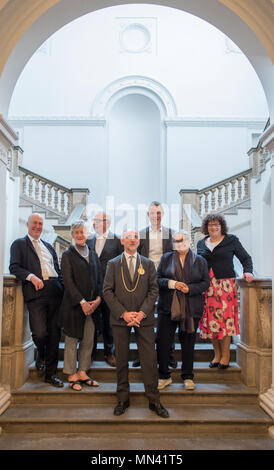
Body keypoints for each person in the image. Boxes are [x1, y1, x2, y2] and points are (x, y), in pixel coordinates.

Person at [103, 228, 169, 418]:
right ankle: (123, 399)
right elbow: (107, 291)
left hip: (144, 320)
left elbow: (153, 291)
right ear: (123, 241)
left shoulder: (148, 264)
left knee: (149, 361)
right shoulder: (113, 264)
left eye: (135, 237)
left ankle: (154, 400)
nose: (132, 240)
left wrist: (141, 313)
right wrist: (123, 314)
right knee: (121, 359)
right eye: (129, 237)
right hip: (120, 319)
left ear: (139, 242)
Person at [9, 213, 64, 387]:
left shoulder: (49, 246)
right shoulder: (19, 244)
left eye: (40, 223)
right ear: (27, 224)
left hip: (56, 292)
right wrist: (31, 277)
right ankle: (40, 353)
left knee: (55, 335)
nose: (38, 226)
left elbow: (57, 269)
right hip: (36, 292)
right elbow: (14, 267)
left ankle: (51, 374)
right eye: (35, 223)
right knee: (40, 333)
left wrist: (62, 287)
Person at [197, 213, 254, 369]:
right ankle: (216, 355)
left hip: (225, 287)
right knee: (210, 322)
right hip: (207, 288)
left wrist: (248, 271)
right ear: (206, 227)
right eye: (210, 225)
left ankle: (226, 355)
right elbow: (197, 265)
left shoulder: (231, 240)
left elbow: (246, 258)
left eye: (217, 225)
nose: (214, 227)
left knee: (225, 322)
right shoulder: (201, 243)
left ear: (221, 226)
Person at [156, 230, 210, 390]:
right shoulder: (166, 258)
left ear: (188, 241)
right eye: (177, 240)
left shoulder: (200, 261)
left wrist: (190, 288)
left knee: (188, 343)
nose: (180, 243)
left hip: (191, 308)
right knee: (163, 342)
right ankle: (164, 376)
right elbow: (157, 279)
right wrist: (172, 284)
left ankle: (187, 376)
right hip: (167, 307)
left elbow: (206, 282)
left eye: (183, 240)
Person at [59, 220, 102, 391]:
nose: (79, 235)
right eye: (76, 232)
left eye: (82, 232)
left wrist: (98, 299)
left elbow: (99, 278)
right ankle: (71, 374)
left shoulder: (93, 254)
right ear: (72, 234)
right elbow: (68, 282)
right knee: (71, 339)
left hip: (92, 306)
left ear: (87, 234)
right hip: (74, 306)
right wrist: (82, 302)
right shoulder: (67, 255)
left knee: (88, 340)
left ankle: (83, 371)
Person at [134, 201, 176, 368]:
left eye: (158, 213)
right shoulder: (140, 234)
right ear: (148, 215)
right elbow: (135, 259)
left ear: (162, 215)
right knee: (143, 318)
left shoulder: (171, 234)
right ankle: (142, 354)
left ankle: (169, 354)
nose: (156, 216)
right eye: (153, 213)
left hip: (165, 280)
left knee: (168, 319)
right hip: (145, 280)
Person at [86, 211, 123, 367]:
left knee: (109, 322)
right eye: (94, 221)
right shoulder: (88, 240)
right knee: (92, 323)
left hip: (110, 289)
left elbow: (122, 265)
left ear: (107, 222)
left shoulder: (117, 240)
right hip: (91, 289)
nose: (96, 224)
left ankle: (110, 352)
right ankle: (90, 353)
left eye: (99, 221)